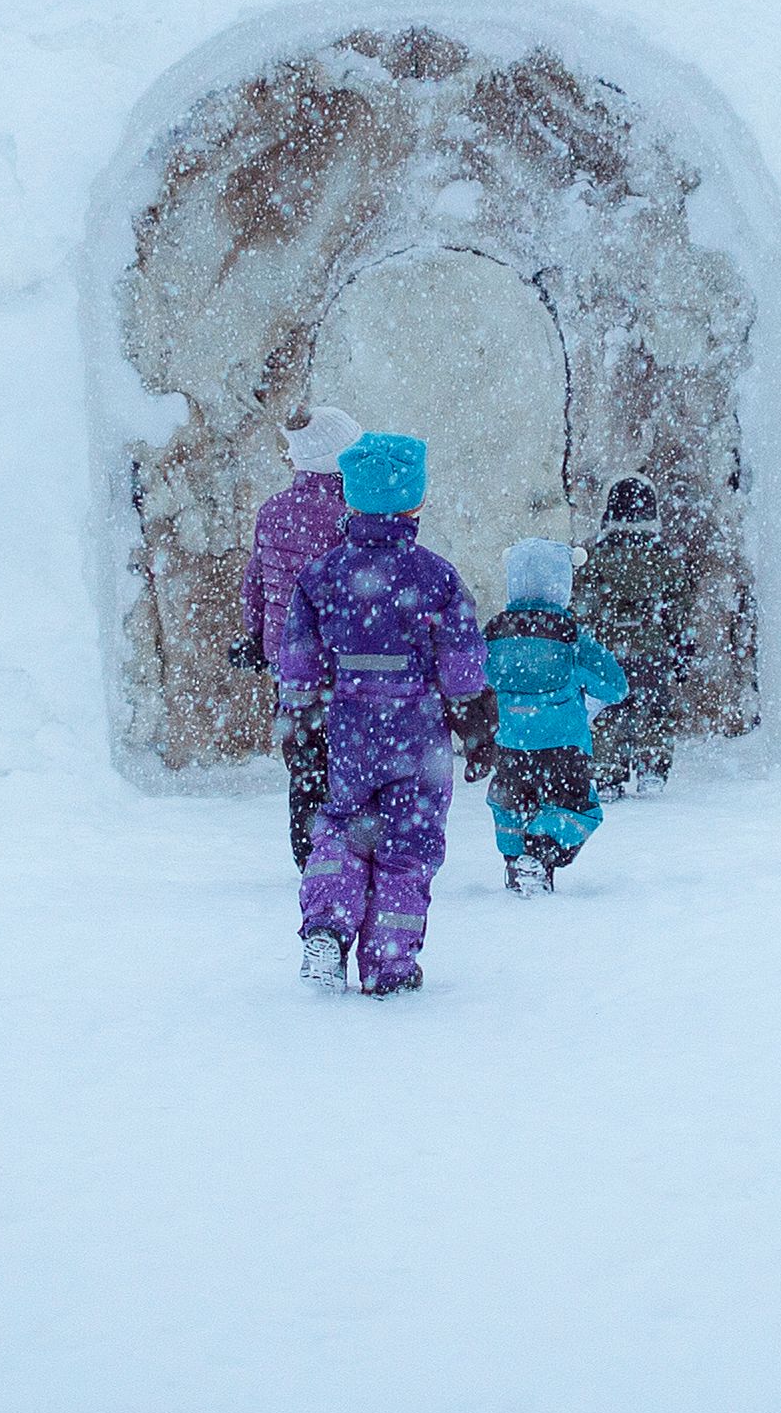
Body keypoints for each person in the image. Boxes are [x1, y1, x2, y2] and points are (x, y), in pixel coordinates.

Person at [269, 431, 492, 996]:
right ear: (415, 502)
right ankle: (390, 959)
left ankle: (326, 926)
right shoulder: (437, 577)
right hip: (417, 736)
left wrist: (299, 721)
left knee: (342, 831)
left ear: (350, 500)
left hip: (348, 732)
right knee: (407, 848)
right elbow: (463, 668)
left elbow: (298, 661)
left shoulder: (320, 578)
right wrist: (475, 720)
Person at [233, 406, 363, 869]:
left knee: (305, 755)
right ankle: (345, 842)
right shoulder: (350, 515)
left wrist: (254, 635)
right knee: (348, 751)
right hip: (341, 658)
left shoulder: (272, 512)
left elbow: (256, 581)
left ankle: (308, 848)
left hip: (288, 661)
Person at [481, 537, 628, 893]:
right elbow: (614, 685)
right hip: (563, 744)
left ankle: (517, 860)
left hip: (510, 742)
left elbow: (471, 679)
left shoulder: (493, 634)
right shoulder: (570, 637)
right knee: (577, 808)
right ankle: (542, 852)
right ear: (563, 583)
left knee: (511, 803)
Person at [576, 474, 696, 795]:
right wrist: (681, 650)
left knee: (606, 709)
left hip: (606, 652)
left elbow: (581, 609)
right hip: (651, 651)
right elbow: (679, 611)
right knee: (653, 707)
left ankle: (606, 770)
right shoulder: (664, 560)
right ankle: (652, 767)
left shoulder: (593, 557)